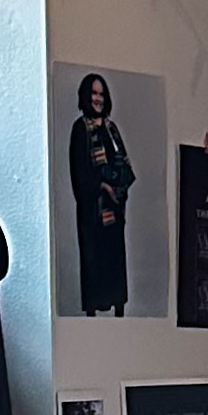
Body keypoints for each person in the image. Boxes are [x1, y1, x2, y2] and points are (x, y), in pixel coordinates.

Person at [65, 72, 136, 315]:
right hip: (93, 213)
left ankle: (119, 312)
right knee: (95, 264)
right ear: (86, 96)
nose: (98, 99)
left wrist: (119, 186)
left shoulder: (111, 129)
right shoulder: (79, 129)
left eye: (101, 94)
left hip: (114, 212)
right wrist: (102, 186)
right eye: (94, 93)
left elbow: (123, 163)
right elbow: (78, 172)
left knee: (115, 263)